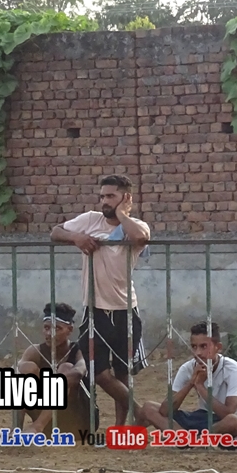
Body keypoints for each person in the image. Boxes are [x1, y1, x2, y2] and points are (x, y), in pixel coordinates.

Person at [50, 174, 151, 427]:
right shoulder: (90, 219)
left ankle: (120, 427)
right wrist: (76, 238)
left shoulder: (135, 225)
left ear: (126, 198)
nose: (105, 201)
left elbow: (140, 238)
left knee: (123, 372)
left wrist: (123, 214)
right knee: (98, 371)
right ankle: (140, 411)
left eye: (111, 196)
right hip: (94, 309)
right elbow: (55, 231)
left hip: (125, 309)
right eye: (103, 196)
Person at [140, 321, 237, 438]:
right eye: (194, 347)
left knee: (233, 421)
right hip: (203, 418)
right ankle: (187, 438)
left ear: (218, 347)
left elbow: (228, 413)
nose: (198, 353)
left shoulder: (233, 369)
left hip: (230, 423)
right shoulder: (187, 368)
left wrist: (200, 386)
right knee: (149, 408)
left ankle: (195, 439)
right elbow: (165, 410)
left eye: (204, 346)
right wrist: (190, 383)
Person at [14, 303, 95, 437]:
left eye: (57, 328)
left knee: (66, 368)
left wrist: (50, 383)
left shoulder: (78, 350)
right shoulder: (35, 351)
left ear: (69, 330)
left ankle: (37, 426)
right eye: (46, 328)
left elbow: (79, 372)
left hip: (78, 421)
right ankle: (16, 428)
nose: (49, 333)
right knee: (26, 369)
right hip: (49, 423)